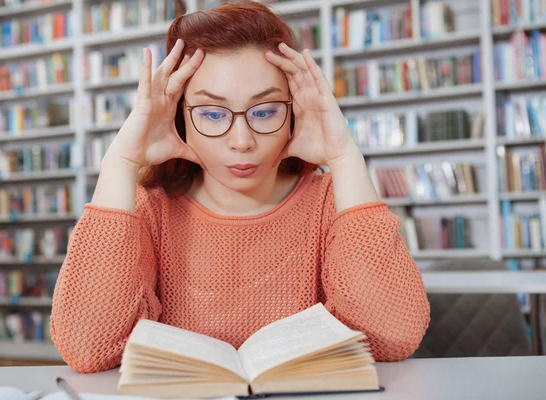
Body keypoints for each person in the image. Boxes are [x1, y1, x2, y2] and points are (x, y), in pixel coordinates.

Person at [50, 0, 430, 374]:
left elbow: (392, 339)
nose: (241, 140)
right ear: (178, 117)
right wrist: (121, 162)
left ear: (294, 109)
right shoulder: (148, 211)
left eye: (264, 111)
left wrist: (345, 156)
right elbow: (88, 349)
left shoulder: (333, 202)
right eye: (212, 114)